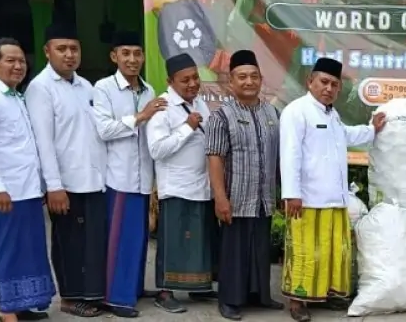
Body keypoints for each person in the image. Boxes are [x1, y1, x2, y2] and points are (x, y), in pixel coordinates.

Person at [280, 57, 387, 322]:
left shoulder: (332, 114)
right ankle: (298, 301)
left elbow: (346, 136)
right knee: (305, 251)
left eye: (334, 85)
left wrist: (372, 130)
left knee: (329, 251)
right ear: (310, 82)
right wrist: (291, 193)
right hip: (305, 200)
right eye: (324, 82)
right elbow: (290, 154)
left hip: (333, 198)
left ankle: (324, 295)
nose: (328, 88)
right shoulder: (297, 111)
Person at [24, 24, 108, 317]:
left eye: (74, 48)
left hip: (94, 180)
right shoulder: (40, 88)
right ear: (47, 51)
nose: (69, 55)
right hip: (67, 184)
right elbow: (43, 142)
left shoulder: (86, 86)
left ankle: (92, 294)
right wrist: (54, 186)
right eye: (62, 49)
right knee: (69, 244)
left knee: (93, 244)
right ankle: (71, 297)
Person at [0, 38, 55, 322]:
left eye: (21, 60)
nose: (18, 66)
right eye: (10, 60)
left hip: (27, 190)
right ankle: (7, 312)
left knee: (29, 251)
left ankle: (24, 305)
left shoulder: (17, 96)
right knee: (8, 252)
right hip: (4, 193)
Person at [206, 50, 284, 320]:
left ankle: (260, 295)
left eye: (254, 76)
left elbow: (280, 157)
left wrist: (283, 192)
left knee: (260, 249)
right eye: (242, 77)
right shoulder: (221, 116)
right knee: (234, 252)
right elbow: (215, 158)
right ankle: (229, 300)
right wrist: (220, 197)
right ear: (231, 82)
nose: (248, 81)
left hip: (263, 197)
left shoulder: (273, 113)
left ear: (261, 80)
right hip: (236, 196)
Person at [93, 31, 165, 318]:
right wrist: (140, 116)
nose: (133, 59)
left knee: (139, 238)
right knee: (118, 239)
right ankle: (116, 297)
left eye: (137, 53)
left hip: (143, 178)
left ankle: (134, 288)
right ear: (115, 56)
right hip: (119, 177)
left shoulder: (147, 90)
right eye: (126, 53)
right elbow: (104, 129)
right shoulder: (103, 88)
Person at [147, 52, 218, 313]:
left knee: (197, 241)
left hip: (201, 186)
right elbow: (157, 149)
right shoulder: (162, 107)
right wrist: (186, 128)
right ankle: (164, 292)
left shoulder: (200, 103)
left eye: (195, 78)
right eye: (185, 80)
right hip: (176, 187)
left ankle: (198, 288)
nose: (192, 84)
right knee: (173, 241)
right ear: (170, 81)